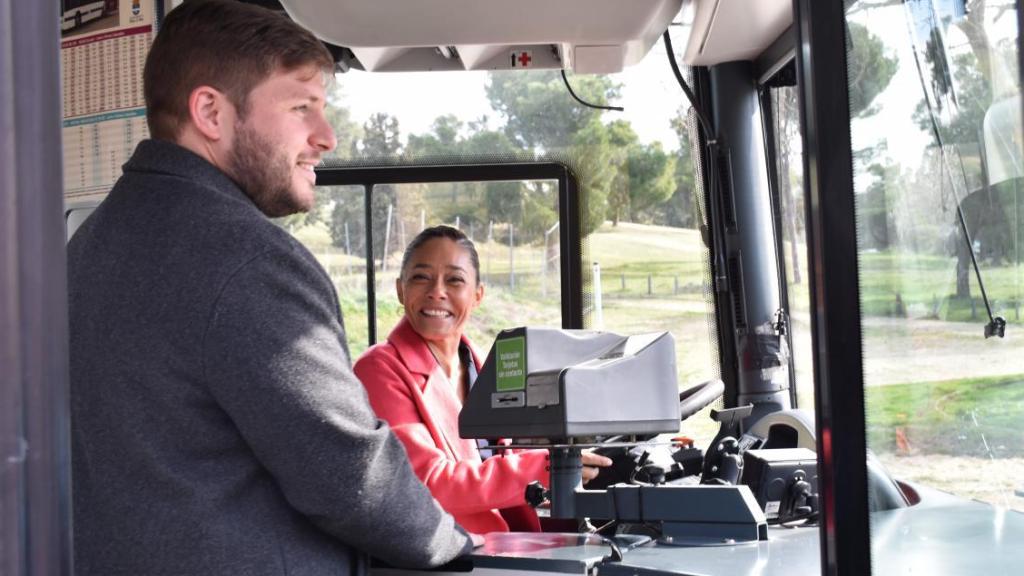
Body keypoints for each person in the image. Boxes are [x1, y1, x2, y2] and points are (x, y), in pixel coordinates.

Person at [66, 2, 474, 574]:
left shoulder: (88, 244)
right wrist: (453, 547)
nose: (326, 137)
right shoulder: (248, 262)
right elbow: (351, 476)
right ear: (211, 111)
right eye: (301, 108)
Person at [354, 226, 611, 535]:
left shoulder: (483, 366)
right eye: (421, 277)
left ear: (477, 295)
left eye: (454, 280)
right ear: (400, 290)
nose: (437, 291)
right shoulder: (378, 370)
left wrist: (566, 459)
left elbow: (504, 458)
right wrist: (544, 468)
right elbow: (425, 482)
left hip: (511, 544)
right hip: (444, 554)